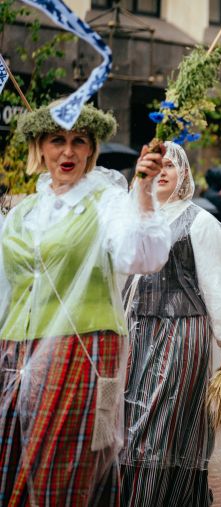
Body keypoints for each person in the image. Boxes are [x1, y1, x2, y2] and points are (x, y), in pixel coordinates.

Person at [0, 103, 171, 505]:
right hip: (16, 351)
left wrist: (143, 191)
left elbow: (141, 257)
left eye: (80, 142)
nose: (68, 152)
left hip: (83, 346)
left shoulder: (106, 202)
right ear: (39, 147)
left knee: (63, 463)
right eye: (57, 140)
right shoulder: (22, 211)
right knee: (12, 453)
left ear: (92, 151)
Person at [121, 142, 221, 506]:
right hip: (135, 331)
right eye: (155, 165)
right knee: (130, 419)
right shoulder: (133, 219)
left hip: (181, 334)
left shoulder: (200, 223)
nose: (162, 171)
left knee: (161, 423)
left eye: (170, 166)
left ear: (184, 174)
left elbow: (219, 287)